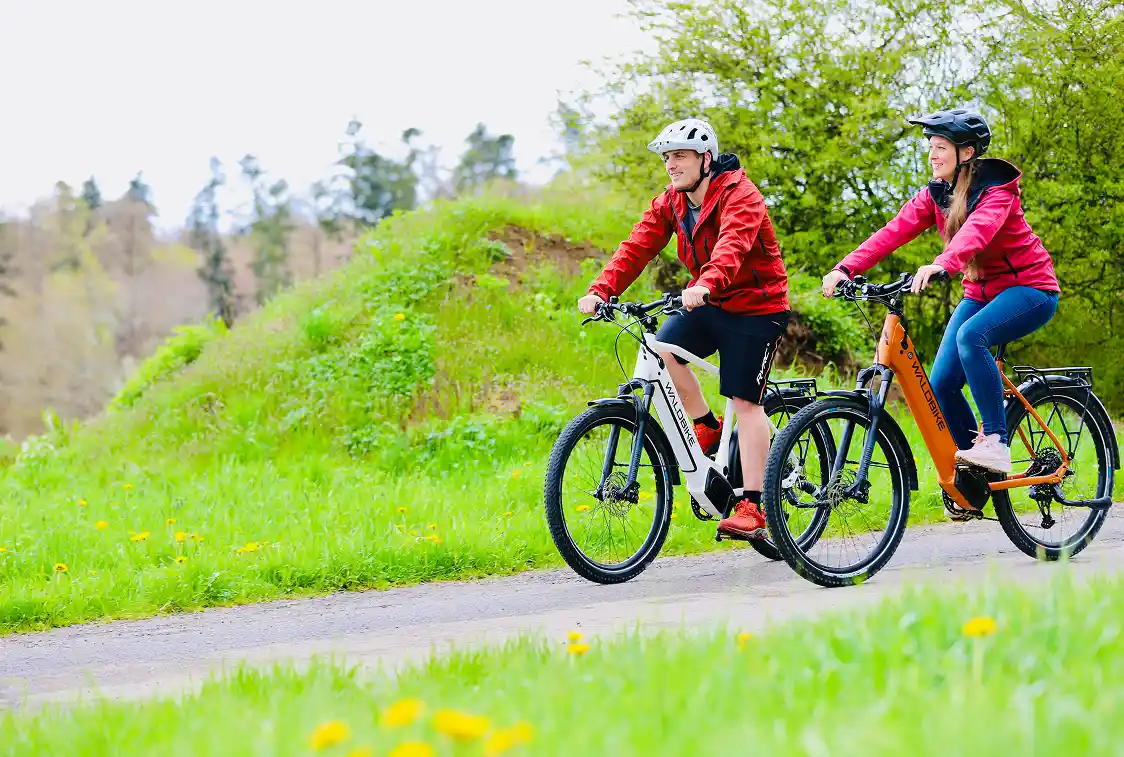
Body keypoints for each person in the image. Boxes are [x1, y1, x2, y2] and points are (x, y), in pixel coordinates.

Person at [577, 118, 791, 540]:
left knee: (745, 400)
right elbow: (636, 247)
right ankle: (706, 425)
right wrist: (601, 289)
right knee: (661, 347)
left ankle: (754, 504)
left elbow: (733, 245)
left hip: (756, 307)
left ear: (705, 159)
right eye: (667, 158)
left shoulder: (740, 195)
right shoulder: (671, 203)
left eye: (679, 156)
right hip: (711, 300)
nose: (671, 165)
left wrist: (707, 283)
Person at [821, 108, 1060, 474]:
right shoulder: (937, 195)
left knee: (972, 336)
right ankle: (974, 472)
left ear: (966, 152)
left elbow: (976, 231)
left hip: (1030, 288)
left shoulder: (997, 193)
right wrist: (845, 267)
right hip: (980, 291)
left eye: (942, 147)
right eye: (931, 146)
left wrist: (943, 263)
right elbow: (892, 231)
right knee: (941, 385)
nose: (933, 155)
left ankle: (995, 442)